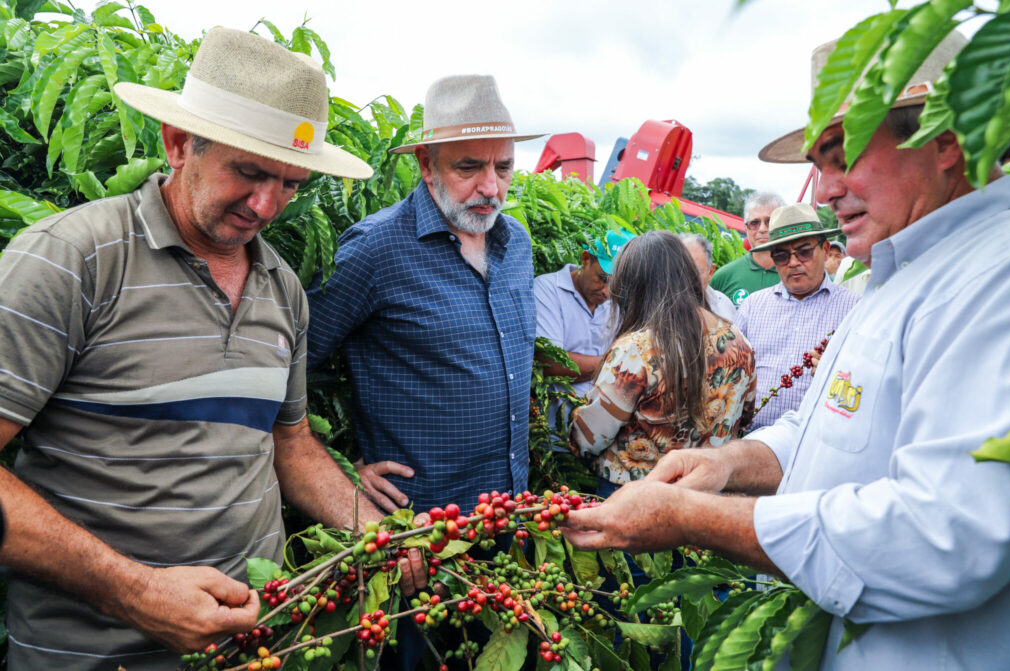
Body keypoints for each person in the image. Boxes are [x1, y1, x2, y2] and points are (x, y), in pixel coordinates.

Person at [563, 30, 1010, 670]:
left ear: (944, 142)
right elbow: (827, 426)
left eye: (844, 154)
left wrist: (690, 517)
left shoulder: (1004, 277)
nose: (825, 190)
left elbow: (945, 534)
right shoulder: (900, 270)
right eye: (820, 162)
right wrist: (729, 465)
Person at [0, 28, 416, 669]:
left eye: (291, 183)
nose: (266, 204)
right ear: (177, 143)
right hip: (92, 654)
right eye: (248, 172)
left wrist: (372, 529)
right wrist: (135, 591)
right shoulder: (73, 260)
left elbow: (290, 442)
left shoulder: (282, 288)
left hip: (252, 645)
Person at [306, 75, 541, 516]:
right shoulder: (376, 250)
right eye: (468, 167)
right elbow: (285, 364)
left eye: (504, 167)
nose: (491, 188)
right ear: (426, 164)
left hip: (511, 517)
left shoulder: (517, 245)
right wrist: (337, 471)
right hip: (419, 531)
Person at [569, 231, 757, 496]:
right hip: (704, 491)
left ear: (636, 286)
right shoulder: (738, 340)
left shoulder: (637, 349)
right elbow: (745, 415)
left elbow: (591, 436)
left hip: (635, 495)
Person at [734, 204, 859, 431]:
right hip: (753, 437)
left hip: (818, 441)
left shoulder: (853, 309)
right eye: (781, 255)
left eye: (804, 252)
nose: (793, 262)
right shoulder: (753, 306)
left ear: (825, 249)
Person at [533, 229, 634, 446]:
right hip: (551, 436)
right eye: (602, 278)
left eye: (615, 285)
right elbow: (550, 363)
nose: (607, 291)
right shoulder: (547, 291)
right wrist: (613, 361)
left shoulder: (618, 305)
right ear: (585, 258)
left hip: (598, 439)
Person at [709, 191, 785, 306]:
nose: (762, 229)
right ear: (746, 228)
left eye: (769, 222)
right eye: (754, 223)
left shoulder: (796, 275)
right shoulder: (724, 276)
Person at [678, 232, 738, 321]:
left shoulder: (723, 305)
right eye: (681, 270)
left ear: (711, 272)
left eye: (696, 271)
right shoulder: (659, 307)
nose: (688, 277)